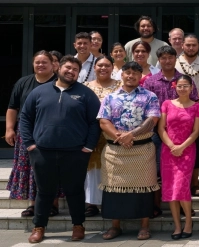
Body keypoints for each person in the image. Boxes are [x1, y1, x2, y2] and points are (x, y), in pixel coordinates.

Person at [20, 55, 101, 243]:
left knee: (75, 191)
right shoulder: (39, 92)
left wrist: (88, 146)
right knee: (44, 191)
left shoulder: (86, 94)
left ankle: (78, 225)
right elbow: (25, 118)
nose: (71, 71)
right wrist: (30, 145)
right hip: (42, 151)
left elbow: (94, 122)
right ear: (58, 68)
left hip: (75, 152)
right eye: (68, 68)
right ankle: (39, 226)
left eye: (75, 70)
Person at [97, 61, 160, 241]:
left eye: (135, 73)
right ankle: (115, 226)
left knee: (144, 190)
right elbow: (103, 121)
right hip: (115, 150)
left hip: (142, 150)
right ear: (121, 75)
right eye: (127, 72)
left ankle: (144, 226)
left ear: (141, 77)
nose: (131, 76)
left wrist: (131, 135)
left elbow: (153, 120)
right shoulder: (110, 97)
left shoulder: (150, 96)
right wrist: (120, 136)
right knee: (114, 191)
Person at [6, 51, 61, 218]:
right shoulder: (23, 82)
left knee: (51, 168)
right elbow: (13, 107)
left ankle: (53, 203)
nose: (41, 65)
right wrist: (9, 128)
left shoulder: (60, 83)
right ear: (33, 64)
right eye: (37, 62)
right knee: (29, 168)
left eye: (45, 62)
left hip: (52, 133)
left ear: (53, 65)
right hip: (26, 132)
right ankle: (32, 204)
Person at [145, 46, 198, 218]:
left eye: (170, 57)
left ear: (176, 58)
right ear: (158, 60)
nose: (167, 61)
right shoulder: (151, 82)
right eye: (163, 58)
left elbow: (194, 103)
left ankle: (184, 205)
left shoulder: (185, 79)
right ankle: (155, 204)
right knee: (156, 171)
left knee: (182, 174)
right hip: (156, 132)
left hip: (182, 134)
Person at [158, 75, 199, 240]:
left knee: (182, 187)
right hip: (168, 151)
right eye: (180, 85)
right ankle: (177, 225)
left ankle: (188, 223)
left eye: (186, 86)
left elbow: (196, 132)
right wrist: (171, 146)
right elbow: (161, 128)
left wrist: (181, 147)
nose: (182, 88)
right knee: (170, 189)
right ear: (175, 87)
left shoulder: (197, 107)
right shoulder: (167, 104)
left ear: (191, 88)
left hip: (187, 151)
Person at [83, 56, 123, 217]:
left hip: (113, 133)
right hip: (91, 134)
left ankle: (109, 200)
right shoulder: (85, 87)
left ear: (113, 67)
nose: (103, 68)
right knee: (92, 170)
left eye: (107, 65)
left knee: (112, 168)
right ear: (94, 67)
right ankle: (91, 203)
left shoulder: (120, 86)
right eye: (100, 65)